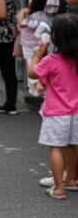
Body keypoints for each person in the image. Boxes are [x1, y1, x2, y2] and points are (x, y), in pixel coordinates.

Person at [29, 14, 78, 200]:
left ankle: (58, 188)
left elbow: (32, 73)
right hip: (76, 111)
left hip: (57, 112)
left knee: (56, 148)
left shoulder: (51, 60)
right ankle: (71, 179)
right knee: (73, 145)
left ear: (54, 37)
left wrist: (37, 54)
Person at [18, 0, 49, 96]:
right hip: (35, 48)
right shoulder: (41, 14)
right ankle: (40, 91)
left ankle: (39, 93)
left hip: (31, 49)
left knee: (33, 71)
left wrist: (22, 12)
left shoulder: (36, 18)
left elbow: (21, 24)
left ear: (30, 2)